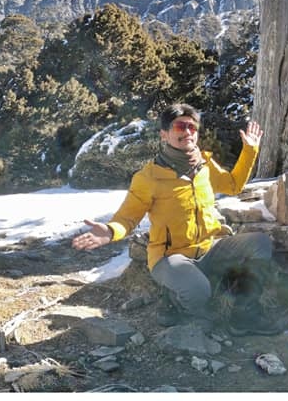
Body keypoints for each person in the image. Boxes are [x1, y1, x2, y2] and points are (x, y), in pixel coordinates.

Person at [72, 103, 274, 327]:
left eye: (192, 127)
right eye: (180, 126)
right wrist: (110, 231)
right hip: (170, 257)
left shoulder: (204, 165)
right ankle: (179, 304)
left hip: (210, 248)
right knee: (198, 292)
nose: (187, 132)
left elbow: (233, 185)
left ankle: (244, 310)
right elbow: (128, 217)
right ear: (164, 134)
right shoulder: (148, 177)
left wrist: (250, 151)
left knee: (260, 243)